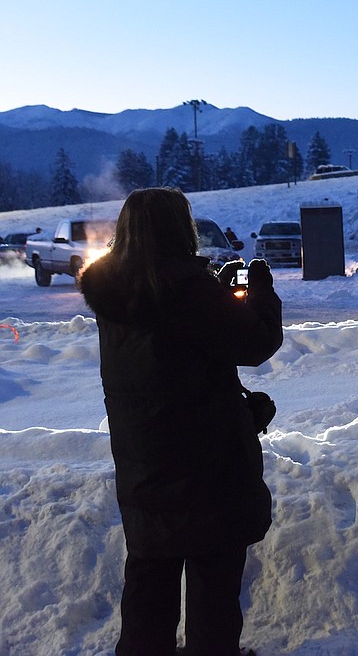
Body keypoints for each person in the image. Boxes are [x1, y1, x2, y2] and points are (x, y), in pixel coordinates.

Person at [78, 187, 283, 656]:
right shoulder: (186, 289)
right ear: (181, 227)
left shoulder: (114, 292)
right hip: (207, 471)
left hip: (143, 464)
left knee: (149, 583)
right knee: (213, 585)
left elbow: (173, 366)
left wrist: (217, 294)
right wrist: (261, 295)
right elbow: (254, 343)